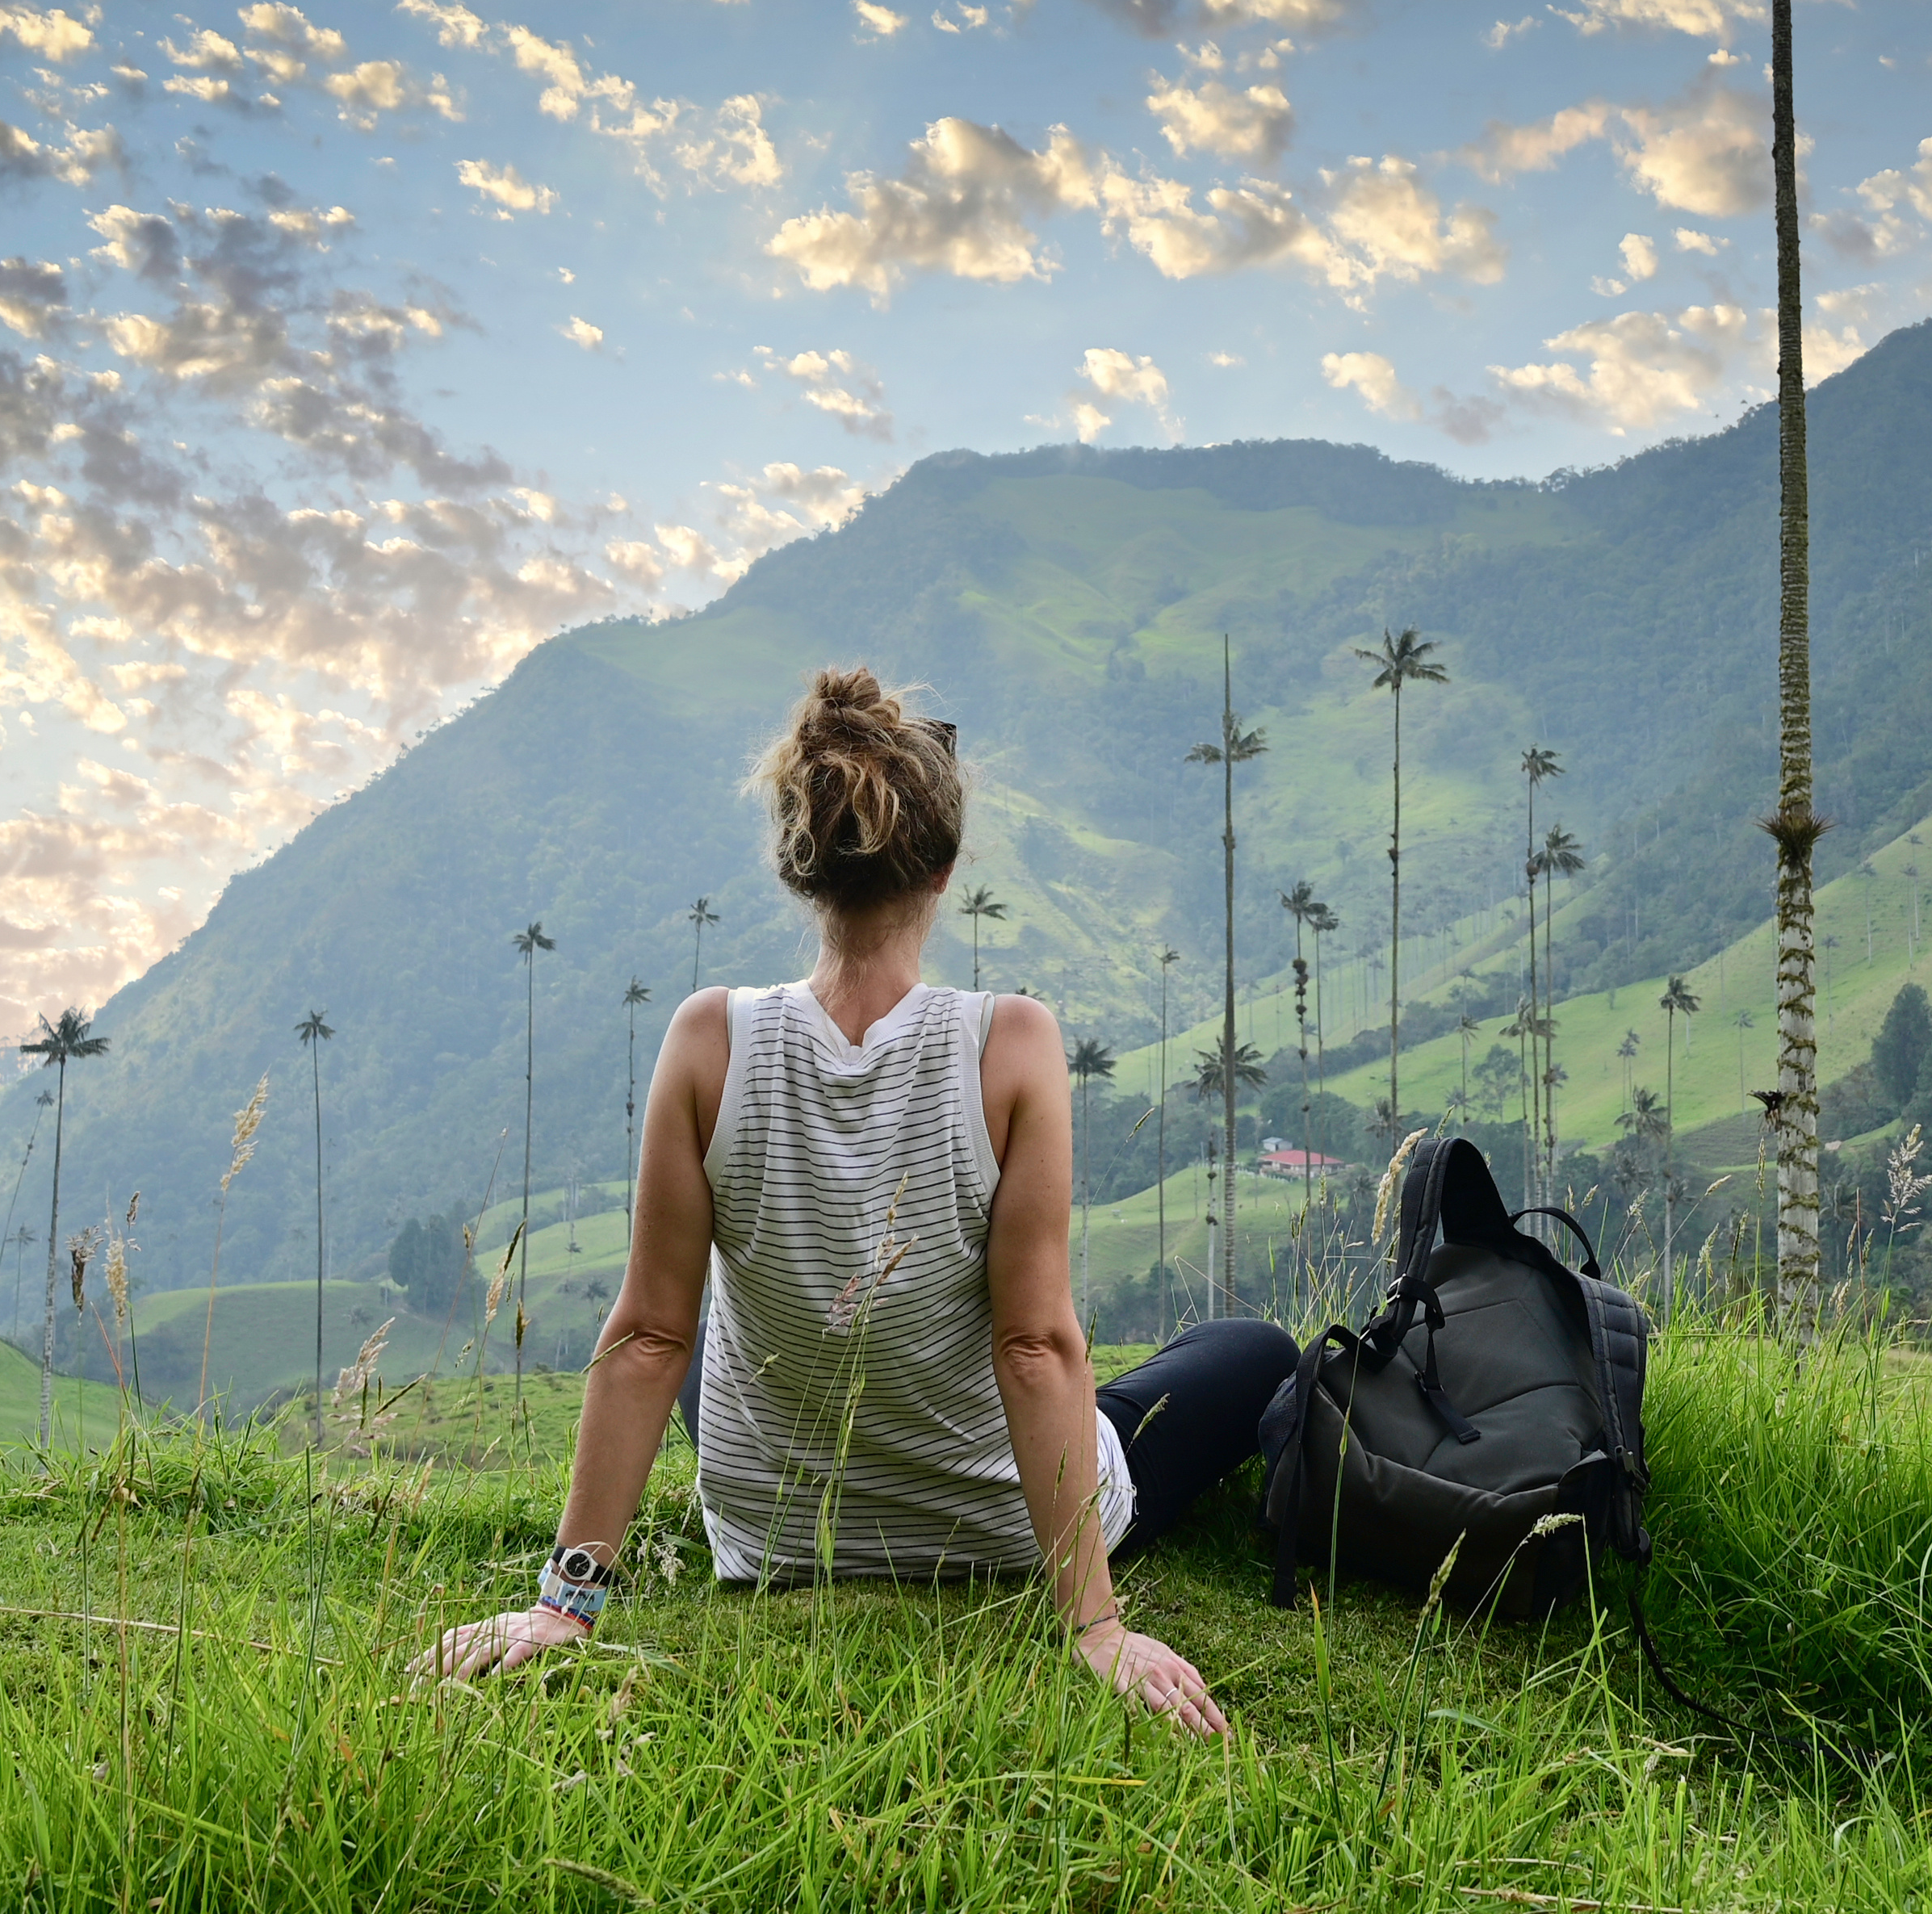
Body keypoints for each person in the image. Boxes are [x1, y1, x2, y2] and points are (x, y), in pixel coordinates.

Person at [420, 667, 1297, 1735]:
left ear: (802, 868)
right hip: (1001, 1526)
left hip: (784, 1539)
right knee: (1253, 1349)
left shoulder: (709, 1035)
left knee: (686, 1329)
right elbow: (1033, 1346)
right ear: (945, 866)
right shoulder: (1011, 1041)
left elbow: (648, 1336)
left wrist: (564, 1607)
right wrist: (1093, 1626)